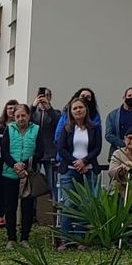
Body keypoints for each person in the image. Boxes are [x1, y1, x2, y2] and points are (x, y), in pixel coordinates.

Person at [56, 97, 101, 251]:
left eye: (80, 107)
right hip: (69, 170)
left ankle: (81, 239)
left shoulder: (94, 128)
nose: (78, 110)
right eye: (74, 108)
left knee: (85, 204)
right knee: (69, 204)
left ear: (86, 109)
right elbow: (61, 148)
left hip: (88, 170)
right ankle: (66, 239)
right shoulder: (67, 128)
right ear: (71, 112)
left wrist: (85, 161)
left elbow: (97, 148)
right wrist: (76, 162)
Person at [0, 104, 42, 249]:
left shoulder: (36, 129)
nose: (20, 118)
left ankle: (25, 237)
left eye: (23, 115)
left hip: (28, 174)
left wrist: (24, 164)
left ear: (29, 116)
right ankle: (11, 238)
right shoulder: (9, 129)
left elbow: (40, 151)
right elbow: (4, 151)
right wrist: (15, 165)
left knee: (27, 207)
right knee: (10, 207)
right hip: (10, 173)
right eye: (17, 116)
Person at [0, 100, 20, 228]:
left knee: (4, 188)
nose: (11, 111)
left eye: (14, 108)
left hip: (9, 160)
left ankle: (1, 214)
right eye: (9, 108)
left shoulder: (18, 127)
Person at [54, 88, 102, 158]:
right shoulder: (66, 121)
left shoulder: (95, 119)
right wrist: (73, 161)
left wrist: (84, 161)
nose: (78, 110)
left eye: (88, 97)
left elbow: (97, 146)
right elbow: (58, 138)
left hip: (88, 161)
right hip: (67, 160)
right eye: (83, 96)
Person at [30, 87, 60, 187]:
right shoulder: (33, 113)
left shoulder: (56, 112)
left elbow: (58, 123)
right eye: (41, 96)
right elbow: (26, 120)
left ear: (50, 98)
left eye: (47, 96)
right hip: (35, 152)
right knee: (34, 182)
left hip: (50, 152)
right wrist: (33, 106)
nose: (43, 98)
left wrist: (49, 109)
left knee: (51, 182)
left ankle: (53, 198)